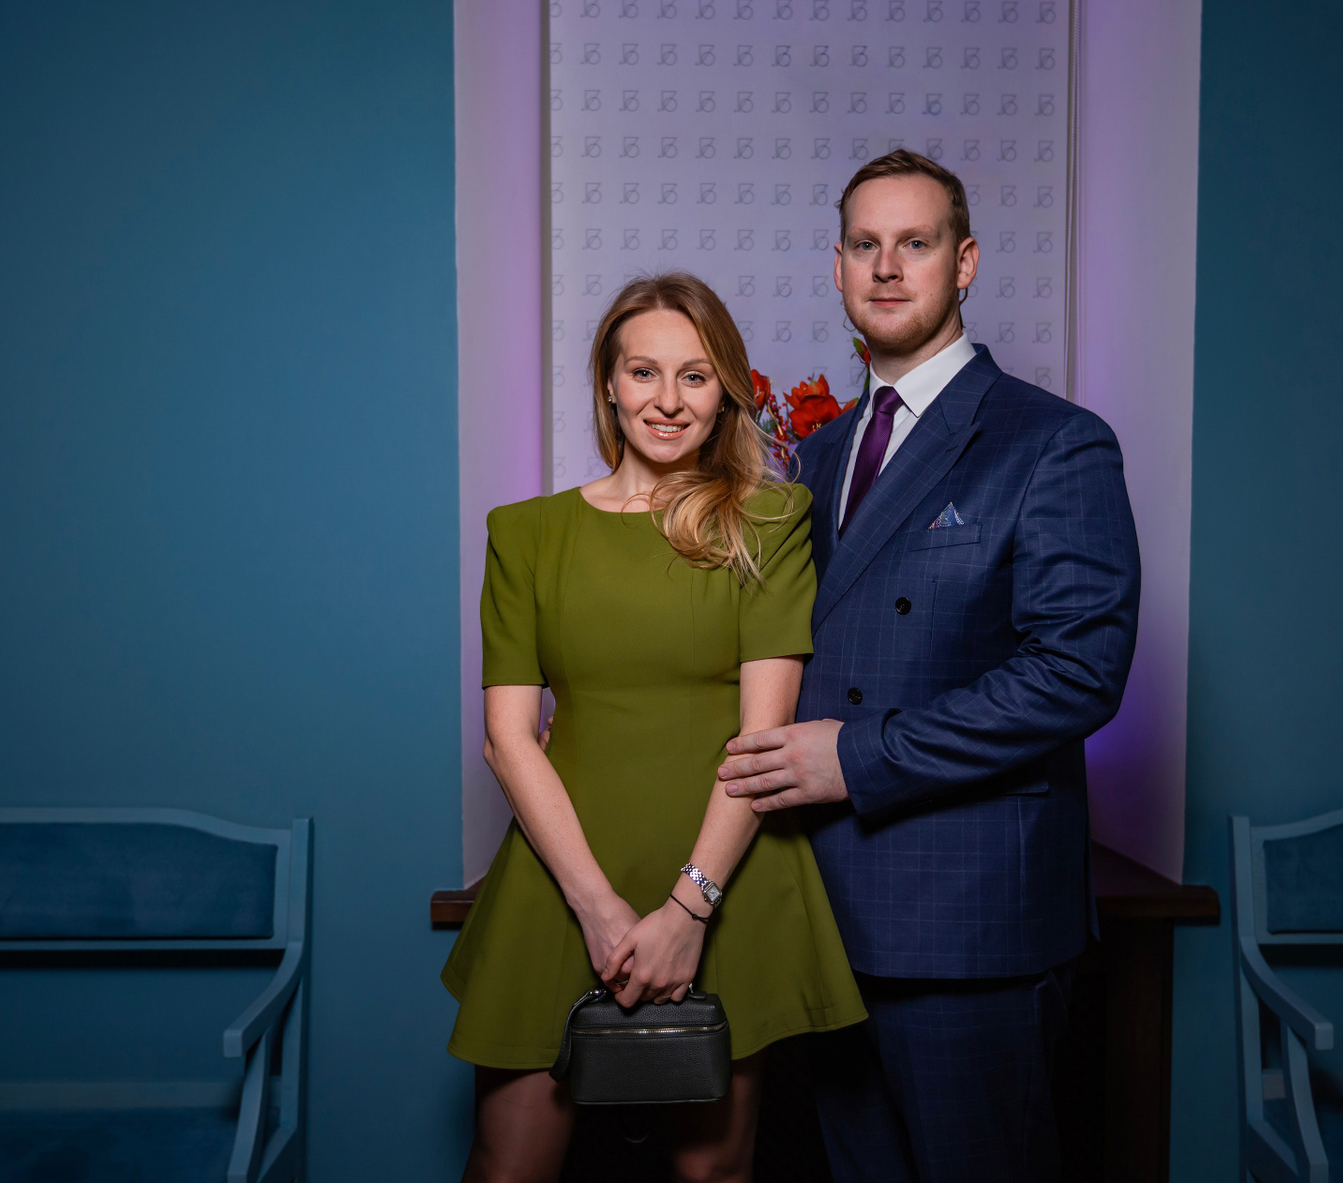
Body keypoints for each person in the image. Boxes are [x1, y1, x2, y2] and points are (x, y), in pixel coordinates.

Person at [715, 149, 1142, 1183]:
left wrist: (857, 757)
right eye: (865, 244)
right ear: (837, 267)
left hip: (968, 922)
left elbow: (1078, 671)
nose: (887, 266)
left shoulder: (1052, 441)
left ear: (966, 262)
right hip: (827, 915)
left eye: (916, 242)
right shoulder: (815, 456)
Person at [443, 273, 866, 1183]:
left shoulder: (767, 521)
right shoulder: (526, 534)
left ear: (725, 393)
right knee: (509, 1166)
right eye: (644, 372)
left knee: (712, 1172)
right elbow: (507, 740)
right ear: (609, 382)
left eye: (695, 376)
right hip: (563, 874)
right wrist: (596, 907)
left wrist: (688, 908)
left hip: (724, 872)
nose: (668, 401)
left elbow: (763, 742)